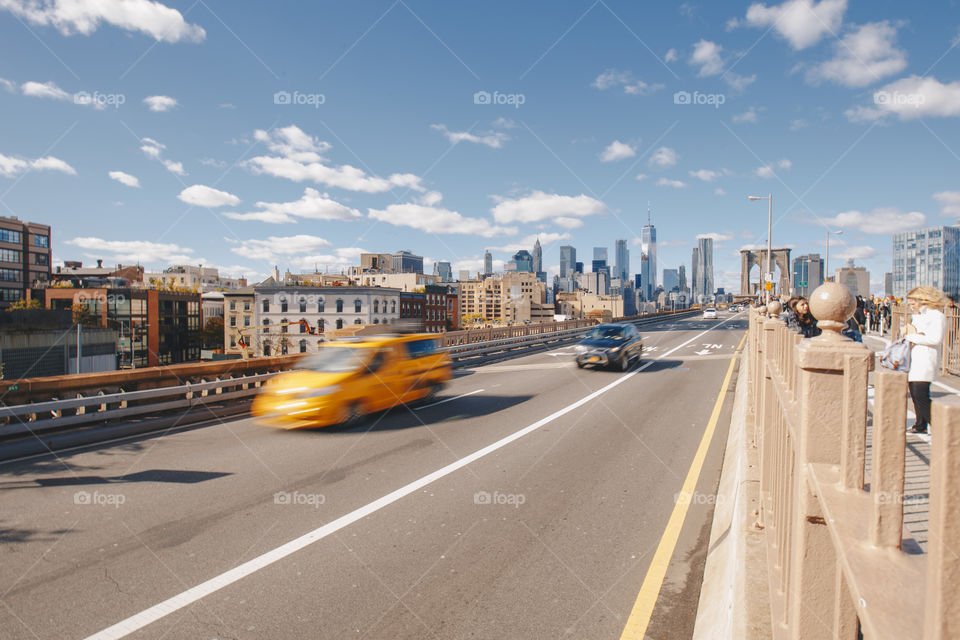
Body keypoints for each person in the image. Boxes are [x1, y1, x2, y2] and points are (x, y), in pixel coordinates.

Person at [903, 286, 947, 434]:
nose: (911, 306)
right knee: (914, 393)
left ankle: (939, 426)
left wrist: (912, 337)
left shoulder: (936, 316)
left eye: (913, 303)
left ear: (922, 300)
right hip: (915, 358)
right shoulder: (918, 316)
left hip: (926, 359)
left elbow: (936, 338)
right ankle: (920, 423)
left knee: (921, 394)